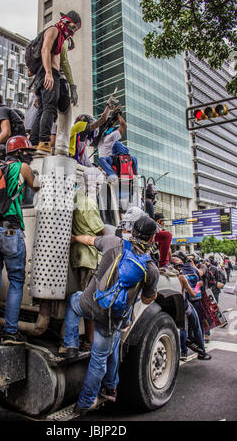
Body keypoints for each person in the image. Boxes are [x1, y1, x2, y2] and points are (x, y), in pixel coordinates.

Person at [59, 215, 159, 416]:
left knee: (72, 302)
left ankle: (70, 345)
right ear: (151, 239)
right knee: (99, 359)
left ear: (132, 231)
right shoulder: (150, 268)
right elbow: (148, 301)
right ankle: (86, 402)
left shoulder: (113, 242)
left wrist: (73, 237)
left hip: (89, 304)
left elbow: (88, 240)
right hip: (111, 318)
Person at [0, 135, 40, 346]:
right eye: (28, 152)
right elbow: (37, 187)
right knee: (16, 281)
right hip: (10, 232)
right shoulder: (21, 167)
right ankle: (11, 332)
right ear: (20, 152)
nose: (30, 156)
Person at [29, 11, 81, 154]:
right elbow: (46, 50)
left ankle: (34, 143)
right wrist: (49, 73)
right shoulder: (54, 30)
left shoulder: (59, 35)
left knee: (42, 110)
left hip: (42, 76)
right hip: (49, 73)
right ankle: (44, 142)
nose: (73, 32)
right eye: (73, 27)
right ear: (67, 21)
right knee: (50, 109)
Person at [70, 168, 105, 349]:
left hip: (78, 254)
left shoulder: (75, 196)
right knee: (89, 300)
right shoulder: (88, 204)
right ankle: (90, 340)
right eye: (96, 184)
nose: (98, 188)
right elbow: (101, 231)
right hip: (89, 256)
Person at [171, 253, 211, 361]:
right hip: (188, 303)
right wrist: (198, 285)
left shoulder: (167, 275)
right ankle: (202, 351)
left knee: (182, 327)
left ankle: (183, 351)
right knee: (196, 325)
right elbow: (193, 292)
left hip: (174, 306)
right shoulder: (183, 276)